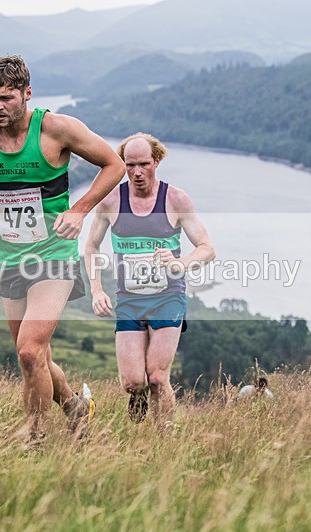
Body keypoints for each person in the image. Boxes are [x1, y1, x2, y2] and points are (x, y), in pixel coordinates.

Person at [0, 55, 125, 441]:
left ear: (27, 94)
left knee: (29, 352)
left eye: (7, 98)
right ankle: (76, 408)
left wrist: (79, 210)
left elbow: (115, 165)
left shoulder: (57, 129)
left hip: (53, 257)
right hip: (8, 259)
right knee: (36, 358)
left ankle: (36, 440)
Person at [84, 132, 215, 427]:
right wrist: (96, 290)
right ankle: (138, 397)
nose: (137, 172)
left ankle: (163, 435)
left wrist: (180, 264)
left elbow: (207, 249)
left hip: (168, 299)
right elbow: (91, 246)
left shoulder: (176, 199)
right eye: (130, 165)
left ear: (156, 161)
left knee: (157, 377)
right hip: (129, 300)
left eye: (144, 164)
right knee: (133, 382)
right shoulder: (111, 202)